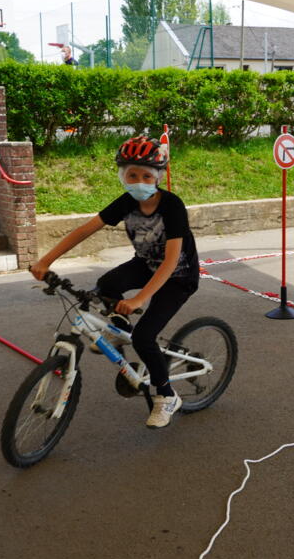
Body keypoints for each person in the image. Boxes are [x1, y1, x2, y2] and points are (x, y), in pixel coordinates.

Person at [30, 136, 199, 429]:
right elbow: (86, 230)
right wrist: (46, 261)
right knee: (106, 285)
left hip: (178, 276)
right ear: (122, 175)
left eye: (147, 175)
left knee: (145, 338)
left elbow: (171, 261)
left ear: (158, 176)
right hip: (146, 265)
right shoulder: (127, 202)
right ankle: (121, 333)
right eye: (132, 174)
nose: (139, 181)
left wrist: (139, 299)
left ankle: (167, 396)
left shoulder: (172, 206)